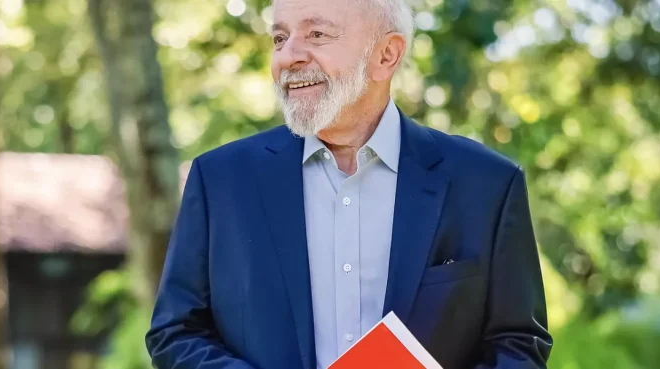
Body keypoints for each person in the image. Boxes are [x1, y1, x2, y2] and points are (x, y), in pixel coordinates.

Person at [145, 0, 553, 367]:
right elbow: (176, 333)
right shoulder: (219, 180)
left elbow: (516, 343)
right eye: (280, 38)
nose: (288, 57)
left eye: (317, 34)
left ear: (386, 55)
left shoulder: (487, 185)